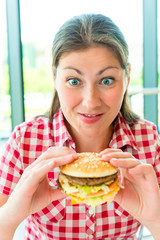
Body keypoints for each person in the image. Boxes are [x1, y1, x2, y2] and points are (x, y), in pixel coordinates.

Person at [0, 13, 160, 240]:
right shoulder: (25, 140)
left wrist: (155, 219)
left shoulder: (149, 139)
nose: (90, 101)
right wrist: (10, 217)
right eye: (74, 81)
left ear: (127, 76)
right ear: (55, 77)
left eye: (107, 80)